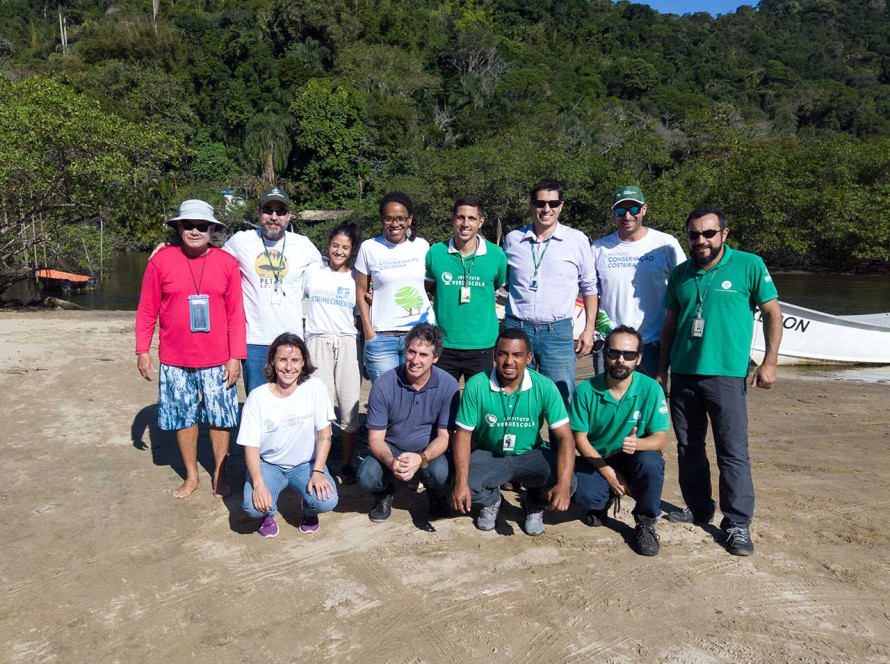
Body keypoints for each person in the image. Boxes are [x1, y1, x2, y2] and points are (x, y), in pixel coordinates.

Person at [657, 205, 783, 556]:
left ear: (724, 234)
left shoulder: (749, 265)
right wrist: (663, 369)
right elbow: (670, 324)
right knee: (688, 447)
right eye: (694, 234)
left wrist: (769, 362)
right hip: (683, 373)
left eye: (708, 233)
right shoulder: (681, 273)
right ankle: (698, 508)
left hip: (726, 375)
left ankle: (737, 523)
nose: (701, 240)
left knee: (732, 451)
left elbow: (773, 312)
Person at [135, 199, 246, 498]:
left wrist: (236, 356)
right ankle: (192, 476)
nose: (194, 231)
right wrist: (142, 350)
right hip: (175, 358)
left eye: (201, 226)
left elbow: (236, 314)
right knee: (183, 418)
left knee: (220, 419)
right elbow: (147, 309)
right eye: (188, 225)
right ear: (179, 228)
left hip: (218, 358)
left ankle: (219, 476)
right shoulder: (161, 260)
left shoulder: (227, 262)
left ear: (212, 229)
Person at [451, 328, 576, 536]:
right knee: (463, 482)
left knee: (568, 481)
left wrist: (563, 483)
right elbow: (462, 435)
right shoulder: (476, 385)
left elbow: (565, 438)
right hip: (489, 453)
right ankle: (492, 501)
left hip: (530, 453)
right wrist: (460, 482)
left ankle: (535, 504)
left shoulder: (545, 386)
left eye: (517, 355)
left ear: (528, 358)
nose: (509, 362)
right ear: (494, 355)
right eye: (503, 354)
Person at [569, 326, 670, 556]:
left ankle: (645, 523)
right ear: (604, 355)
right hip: (598, 458)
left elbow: (660, 439)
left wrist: (639, 444)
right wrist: (608, 473)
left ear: (639, 358)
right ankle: (602, 500)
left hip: (632, 455)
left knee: (652, 463)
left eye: (629, 355)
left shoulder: (651, 389)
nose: (620, 360)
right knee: (584, 494)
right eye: (614, 353)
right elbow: (580, 440)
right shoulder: (585, 390)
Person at [503, 179, 598, 406]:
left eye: (553, 203)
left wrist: (589, 329)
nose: (546, 209)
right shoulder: (513, 240)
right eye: (540, 203)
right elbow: (501, 281)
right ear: (531, 205)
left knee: (560, 401)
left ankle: (560, 444)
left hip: (557, 332)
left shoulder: (577, 240)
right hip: (517, 327)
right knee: (513, 396)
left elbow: (589, 287)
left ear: (561, 205)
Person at [238, 333, 339, 538]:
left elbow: (325, 434)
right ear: (273, 362)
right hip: (270, 464)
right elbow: (250, 445)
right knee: (252, 506)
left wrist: (318, 471)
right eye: (282, 360)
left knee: (326, 500)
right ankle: (268, 514)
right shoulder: (257, 397)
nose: (288, 367)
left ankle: (309, 511)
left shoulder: (315, 388)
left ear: (303, 363)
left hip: (305, 463)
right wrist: (258, 483)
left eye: (295, 360)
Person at [222, 187, 322, 394]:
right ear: (259, 212)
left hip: (291, 341)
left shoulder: (304, 245)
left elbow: (329, 275)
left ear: (289, 216)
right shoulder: (240, 241)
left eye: (280, 211)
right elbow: (210, 261)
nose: (274, 217)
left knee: (291, 403)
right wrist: (171, 247)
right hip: (255, 341)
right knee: (258, 400)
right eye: (268, 210)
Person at [358, 323, 459, 522]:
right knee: (367, 476)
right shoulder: (384, 384)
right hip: (392, 447)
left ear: (435, 358)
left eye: (423, 355)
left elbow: (444, 436)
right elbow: (376, 439)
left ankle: (436, 495)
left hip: (426, 448)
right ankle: (383, 494)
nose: (415, 360)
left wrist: (421, 458)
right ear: (405, 350)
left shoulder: (448, 385)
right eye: (411, 352)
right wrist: (391, 461)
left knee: (441, 473)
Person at [592, 186, 686, 376]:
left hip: (652, 344)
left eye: (633, 209)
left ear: (644, 209)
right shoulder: (599, 248)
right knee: (607, 403)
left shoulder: (665, 244)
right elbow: (590, 294)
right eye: (620, 210)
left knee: (647, 403)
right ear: (614, 214)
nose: (627, 216)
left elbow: (684, 289)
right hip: (610, 343)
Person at [303, 222, 363, 484]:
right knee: (321, 405)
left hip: (348, 343)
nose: (339, 251)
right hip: (318, 342)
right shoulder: (312, 271)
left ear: (352, 251)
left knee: (349, 405)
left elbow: (362, 313)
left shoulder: (356, 278)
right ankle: (322, 462)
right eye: (335, 245)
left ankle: (347, 463)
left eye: (345, 247)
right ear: (328, 246)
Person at [425, 195, 507, 383]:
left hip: (482, 345)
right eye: (460, 217)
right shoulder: (435, 252)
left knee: (479, 405)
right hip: (443, 344)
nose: (465, 224)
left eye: (471, 218)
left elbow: (497, 286)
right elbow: (428, 287)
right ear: (453, 220)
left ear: (481, 221)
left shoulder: (496, 255)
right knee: (444, 406)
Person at [355, 191, 433, 383]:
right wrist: (368, 331)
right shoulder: (369, 248)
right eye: (389, 218)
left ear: (410, 219)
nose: (395, 224)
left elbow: (430, 285)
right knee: (387, 397)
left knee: (416, 395)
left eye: (401, 219)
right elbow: (360, 291)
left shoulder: (422, 246)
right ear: (382, 219)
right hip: (381, 338)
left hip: (418, 336)